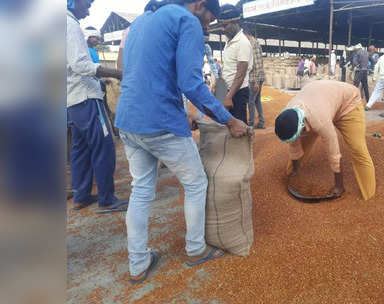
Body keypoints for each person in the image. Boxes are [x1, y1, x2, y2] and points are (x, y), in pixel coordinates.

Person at [114, 0, 249, 284]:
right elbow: (191, 83)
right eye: (210, 18)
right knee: (196, 183)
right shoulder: (186, 21)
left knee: (141, 191)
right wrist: (229, 120)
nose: (209, 25)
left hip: (128, 120)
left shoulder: (139, 22)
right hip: (160, 123)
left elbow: (134, 71)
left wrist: (182, 110)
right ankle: (196, 249)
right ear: (199, 4)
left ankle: (137, 264)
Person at [67, 0, 126, 213]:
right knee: (104, 146)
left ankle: (81, 196)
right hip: (86, 97)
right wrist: (116, 73)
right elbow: (81, 65)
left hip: (72, 101)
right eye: (87, 3)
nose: (89, 8)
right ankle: (107, 199)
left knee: (80, 149)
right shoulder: (69, 24)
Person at [274, 80, 376, 200]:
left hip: (349, 105)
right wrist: (295, 171)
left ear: (301, 126)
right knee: (301, 141)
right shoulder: (287, 116)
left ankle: (370, 197)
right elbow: (293, 143)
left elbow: (334, 151)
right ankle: (292, 172)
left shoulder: (319, 120)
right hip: (324, 102)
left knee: (358, 149)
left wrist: (339, 185)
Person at [218, 4, 253, 123]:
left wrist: (229, 97)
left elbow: (240, 73)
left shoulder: (243, 42)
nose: (222, 29)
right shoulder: (229, 41)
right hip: (227, 90)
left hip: (237, 93)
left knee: (239, 125)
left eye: (225, 25)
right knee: (225, 124)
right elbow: (228, 67)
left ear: (234, 22)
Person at [243, 27, 265, 129]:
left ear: (247, 34)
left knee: (251, 101)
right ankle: (261, 122)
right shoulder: (254, 43)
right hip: (257, 77)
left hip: (254, 78)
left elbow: (257, 64)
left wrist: (256, 82)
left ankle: (251, 123)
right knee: (257, 101)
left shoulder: (253, 44)